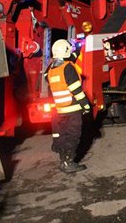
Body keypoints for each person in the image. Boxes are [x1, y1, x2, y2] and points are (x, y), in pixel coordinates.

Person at [45, 39, 91, 174]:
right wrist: (86, 106)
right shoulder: (68, 67)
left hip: (59, 110)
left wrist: (77, 49)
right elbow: (76, 89)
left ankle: (63, 160)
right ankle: (68, 163)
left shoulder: (51, 69)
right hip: (72, 109)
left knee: (63, 135)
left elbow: (49, 77)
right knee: (73, 136)